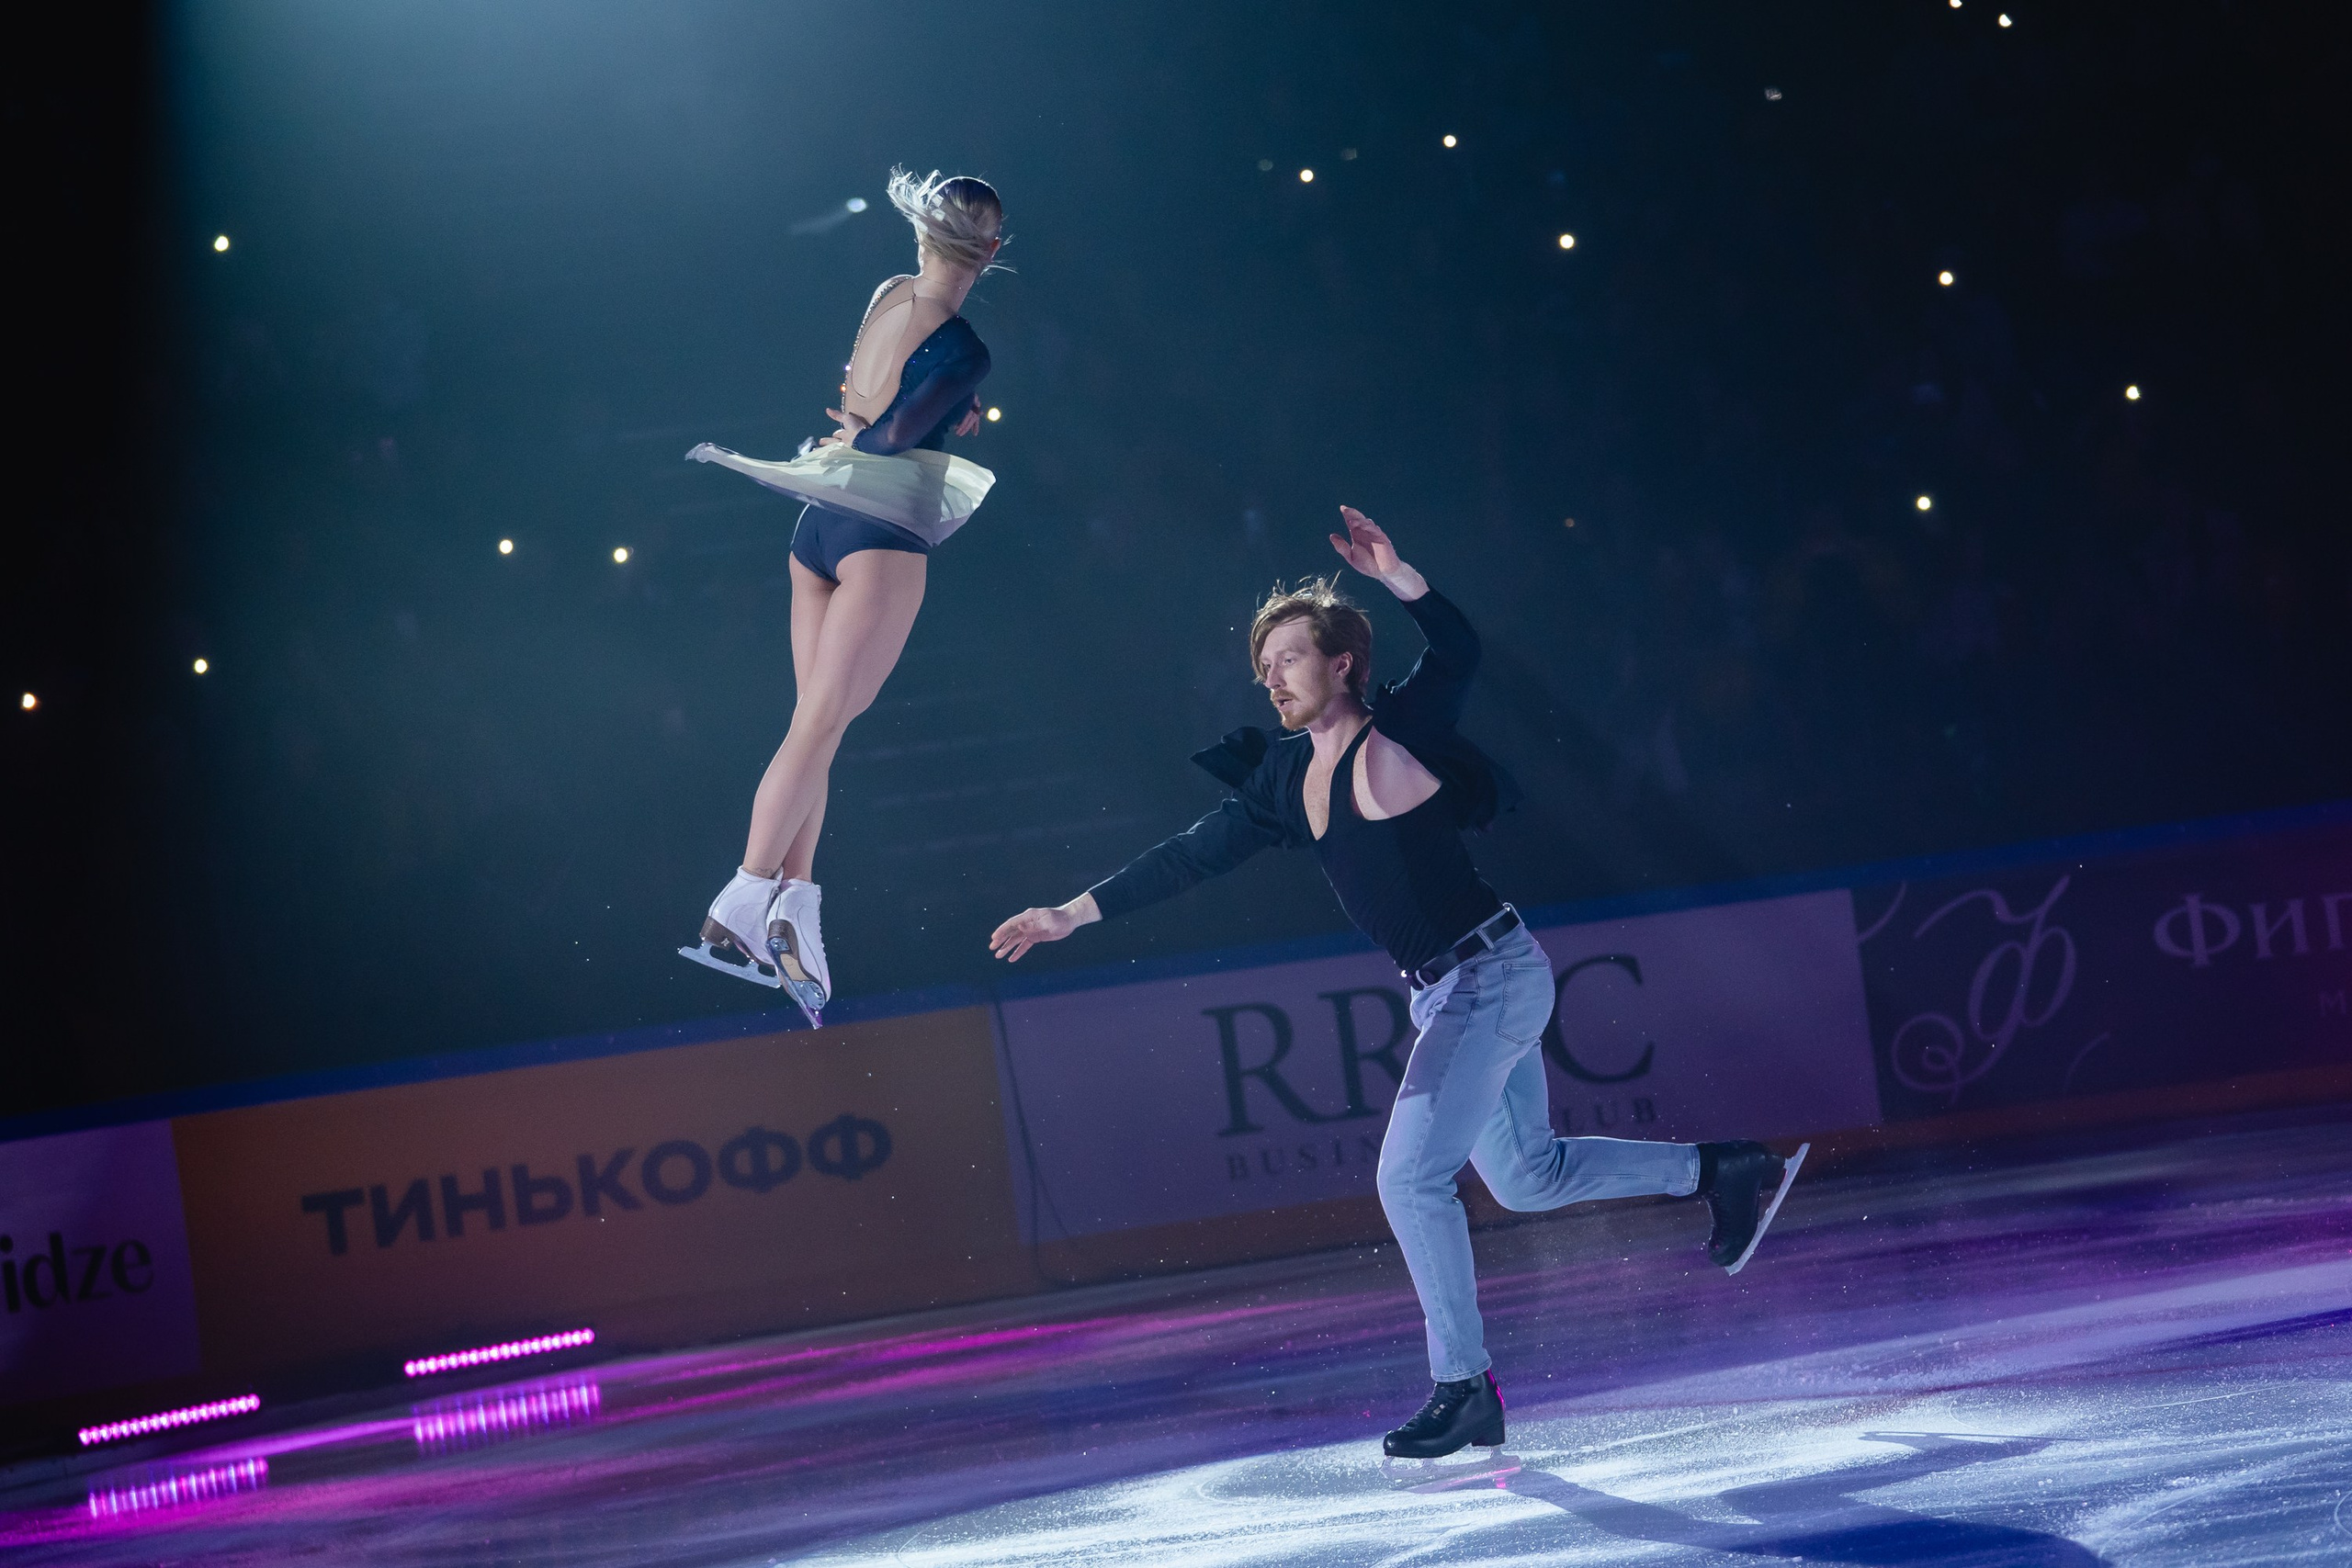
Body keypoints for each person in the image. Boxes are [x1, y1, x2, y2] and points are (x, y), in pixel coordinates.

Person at [989, 507, 1806, 1460]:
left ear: (1341, 663)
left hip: (1489, 977)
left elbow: (1459, 649)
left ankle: (1464, 1387)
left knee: (1408, 1178)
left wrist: (1399, 576)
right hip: (1449, 990)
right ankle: (1722, 1169)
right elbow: (1191, 857)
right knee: (1527, 1176)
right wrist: (1070, 912)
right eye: (1264, 664)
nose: (1271, 675)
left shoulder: (1402, 728)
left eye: (1289, 657)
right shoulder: (1283, 779)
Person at [681, 169, 1004, 1025]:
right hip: (882, 536)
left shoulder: (890, 292)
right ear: (993, 252)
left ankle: (799, 905)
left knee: (813, 729)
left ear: (924, 237)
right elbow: (895, 433)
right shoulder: (967, 346)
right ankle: (747, 895)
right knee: (821, 727)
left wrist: (931, 415)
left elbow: (877, 395)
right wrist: (928, 413)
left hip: (818, 528)